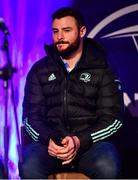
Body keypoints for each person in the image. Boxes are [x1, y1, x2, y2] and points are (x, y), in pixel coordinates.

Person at [19, 7, 124, 179]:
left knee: (108, 165)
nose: (59, 37)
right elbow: (31, 117)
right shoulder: (40, 70)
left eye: (66, 30)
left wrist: (78, 141)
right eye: (55, 31)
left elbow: (113, 119)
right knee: (29, 166)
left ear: (82, 31)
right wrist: (49, 139)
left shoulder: (103, 68)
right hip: (51, 146)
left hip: (91, 146)